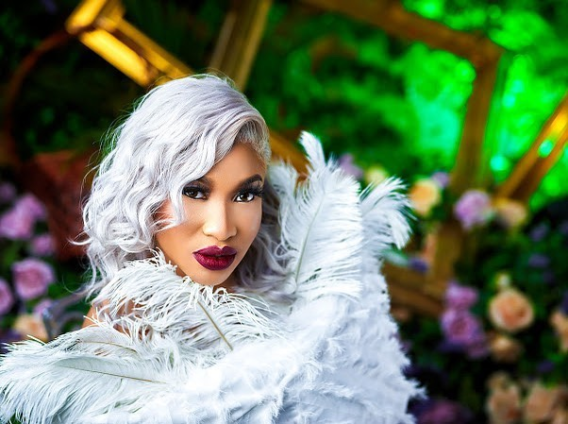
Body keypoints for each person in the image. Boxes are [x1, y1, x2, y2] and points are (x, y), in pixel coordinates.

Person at [0, 75, 421, 423]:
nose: (222, 228)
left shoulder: (298, 277)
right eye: (195, 191)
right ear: (145, 195)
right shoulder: (121, 322)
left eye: (245, 194)